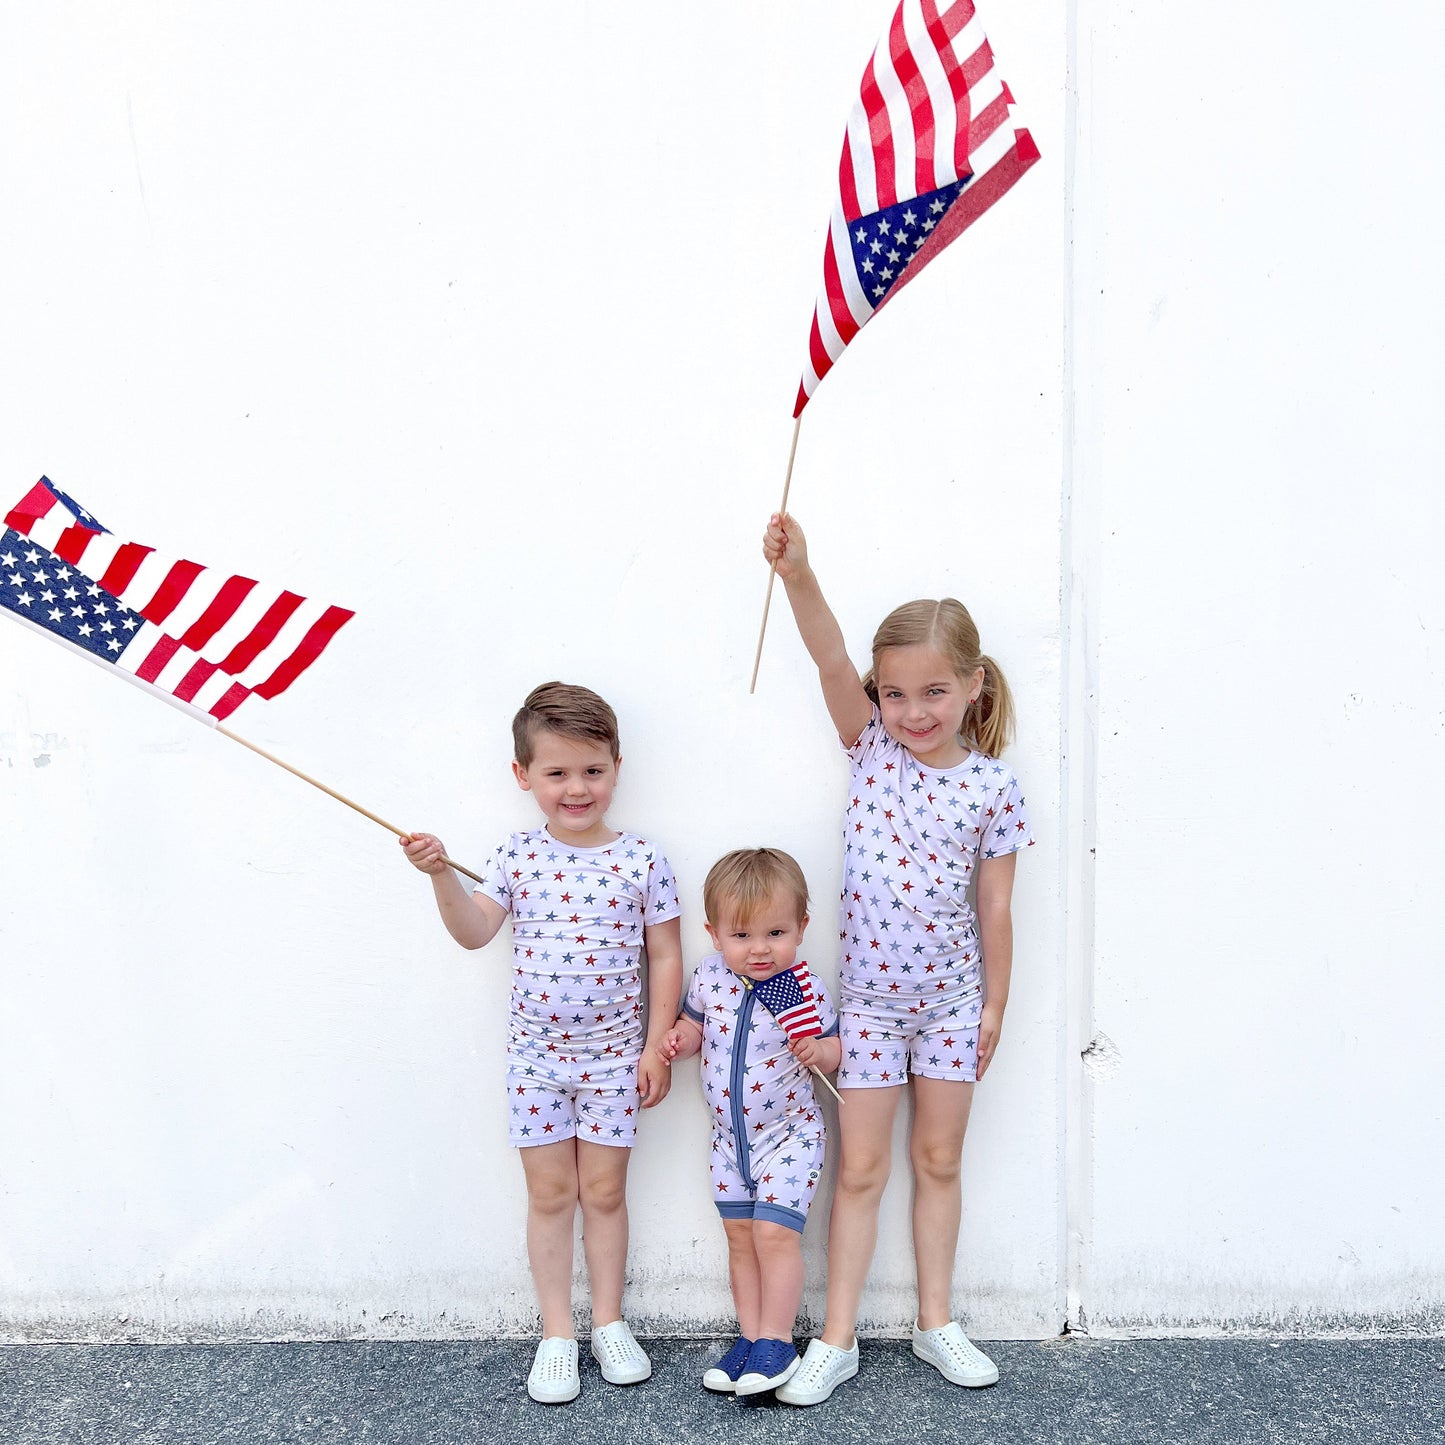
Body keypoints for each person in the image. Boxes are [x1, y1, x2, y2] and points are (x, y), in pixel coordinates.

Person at [760, 513, 1033, 1407]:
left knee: (939, 1161)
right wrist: (798, 574)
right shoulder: (870, 748)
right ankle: (835, 1336)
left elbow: (995, 906)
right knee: (861, 1170)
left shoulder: (994, 787)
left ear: (973, 686)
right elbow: (827, 656)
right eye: (895, 693)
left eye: (934, 692)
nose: (912, 712)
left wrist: (993, 1006)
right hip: (871, 1010)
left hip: (952, 1007)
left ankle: (935, 1320)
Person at [401, 681, 683, 1405]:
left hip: (616, 1061)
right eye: (556, 772)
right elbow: (474, 932)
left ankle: (608, 1321)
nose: (576, 787)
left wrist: (655, 1046)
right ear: (522, 774)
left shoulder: (643, 859)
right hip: (535, 1064)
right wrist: (441, 876)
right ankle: (558, 1332)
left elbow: (665, 955)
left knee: (606, 1192)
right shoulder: (515, 855)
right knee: (551, 1194)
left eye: (592, 770)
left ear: (616, 766)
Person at [662, 848, 841, 1399]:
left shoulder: (805, 989)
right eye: (741, 935)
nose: (759, 948)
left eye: (775, 933)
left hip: (789, 1137)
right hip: (729, 1144)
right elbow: (694, 1028)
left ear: (802, 928)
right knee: (740, 1239)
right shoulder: (709, 978)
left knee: (774, 1236)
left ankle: (778, 1340)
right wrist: (679, 1041)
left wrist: (820, 1052)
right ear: (715, 934)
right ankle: (750, 1335)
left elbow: (836, 1049)